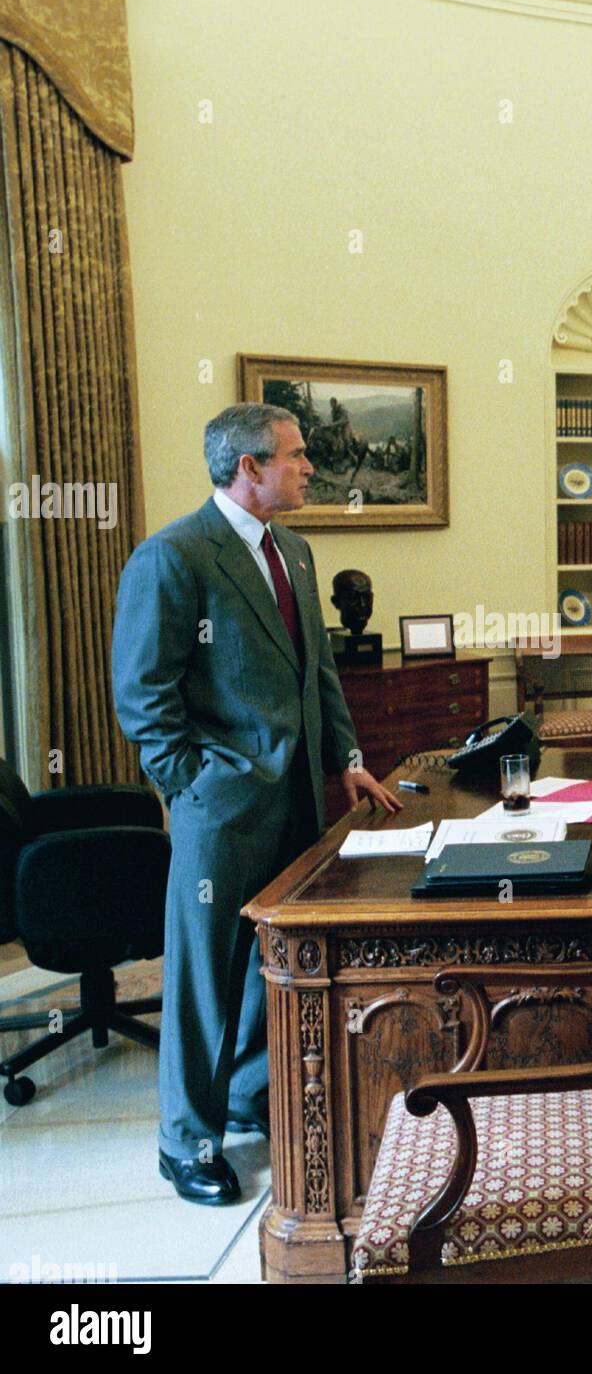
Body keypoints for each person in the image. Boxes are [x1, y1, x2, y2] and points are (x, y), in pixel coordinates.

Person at [112, 404, 401, 1204]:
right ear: (248, 467)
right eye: (297, 455)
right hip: (221, 809)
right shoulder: (172, 556)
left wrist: (345, 759)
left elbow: (321, 677)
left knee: (265, 970)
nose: (311, 467)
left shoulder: (296, 553)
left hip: (301, 799)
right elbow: (142, 695)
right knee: (207, 976)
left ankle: (246, 1098)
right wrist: (191, 783)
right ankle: (186, 1142)